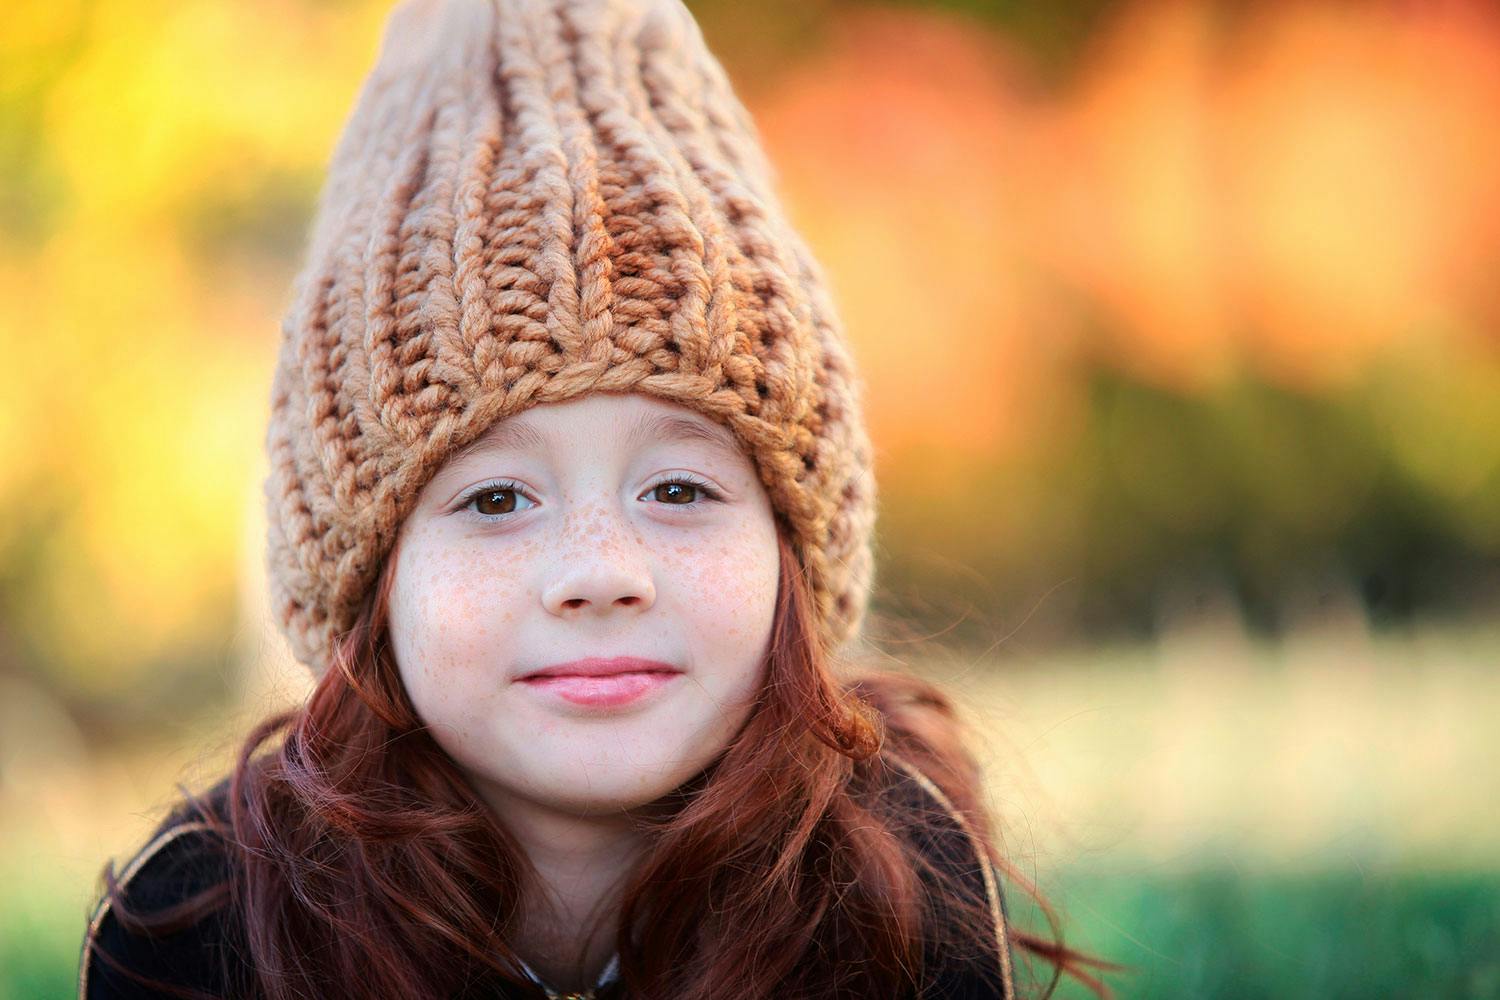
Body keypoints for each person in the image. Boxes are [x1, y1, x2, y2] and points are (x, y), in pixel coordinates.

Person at [79, 0, 1121, 997]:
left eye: (677, 487)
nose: (600, 572)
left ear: (793, 551)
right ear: (367, 581)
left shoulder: (891, 901)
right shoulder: (209, 933)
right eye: (494, 500)